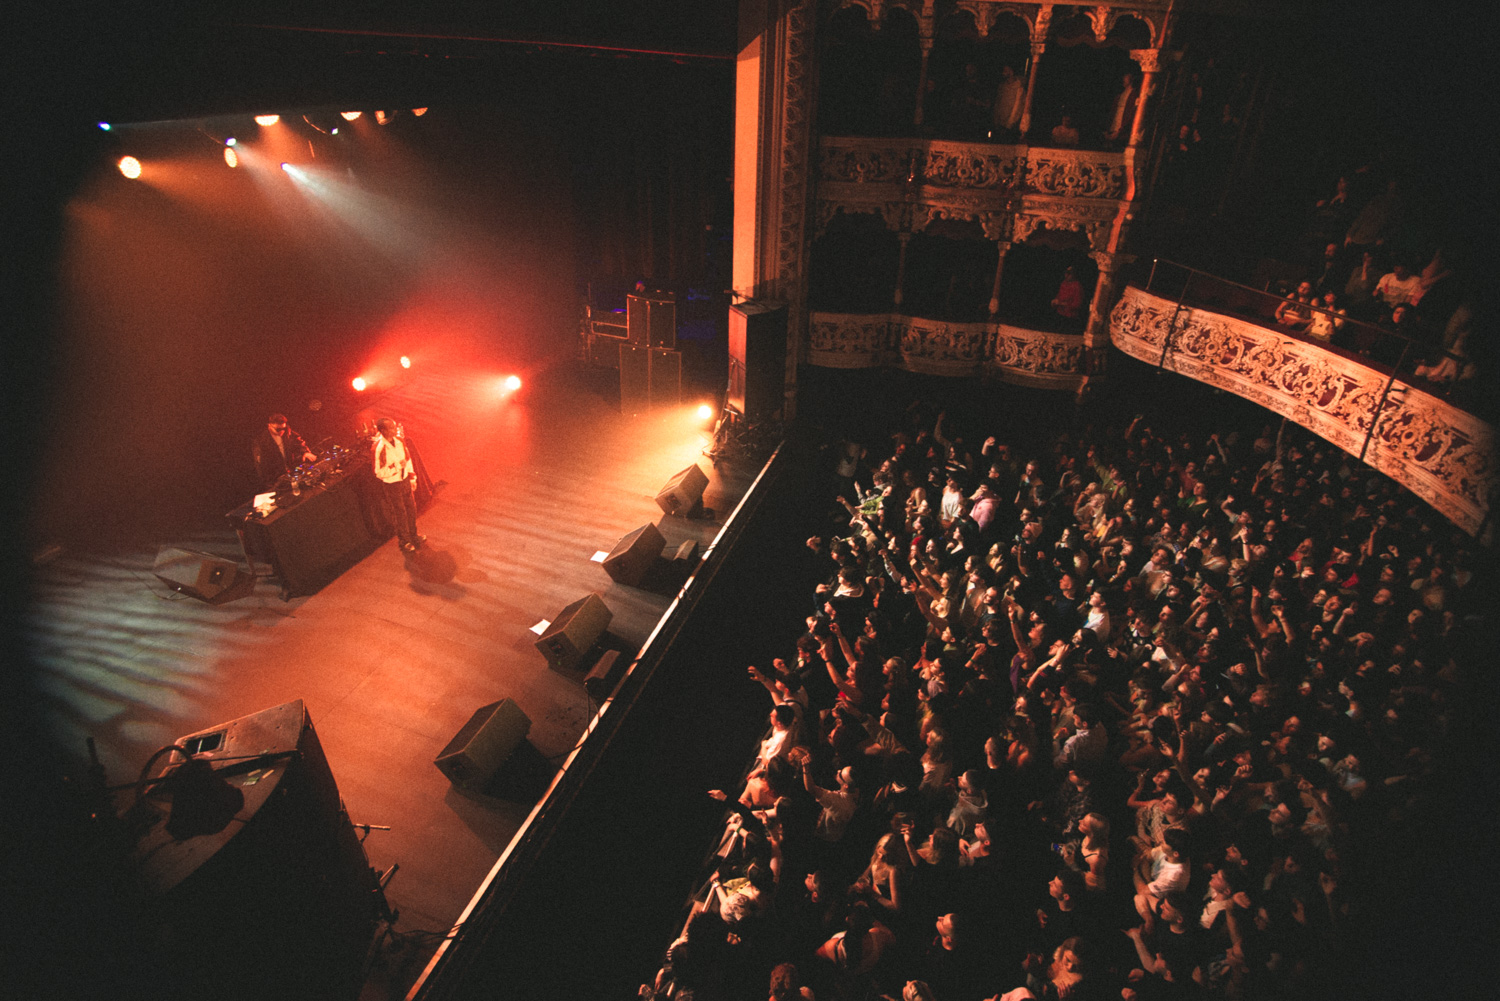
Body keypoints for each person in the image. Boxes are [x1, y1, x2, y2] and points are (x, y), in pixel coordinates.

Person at [373, 417, 423, 552]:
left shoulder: (399, 441)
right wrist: (397, 467)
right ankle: (404, 541)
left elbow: (407, 459)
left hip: (404, 480)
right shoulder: (380, 448)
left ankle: (414, 535)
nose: (395, 430)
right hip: (392, 485)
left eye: (394, 427)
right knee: (399, 513)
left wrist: (412, 477)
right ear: (383, 431)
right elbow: (379, 472)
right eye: (391, 428)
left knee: (411, 510)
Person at [251, 413, 316, 489]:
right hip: (277, 478)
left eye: (283, 429)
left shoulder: (288, 431)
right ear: (269, 425)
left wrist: (305, 452)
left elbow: (298, 442)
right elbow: (261, 466)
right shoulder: (261, 442)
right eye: (278, 429)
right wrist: (270, 483)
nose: (282, 431)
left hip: (292, 471)